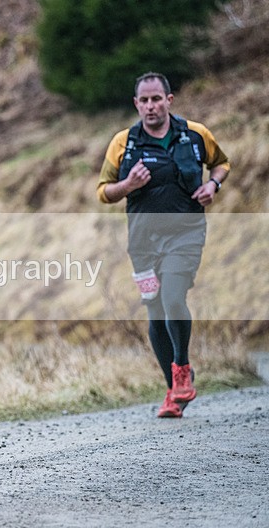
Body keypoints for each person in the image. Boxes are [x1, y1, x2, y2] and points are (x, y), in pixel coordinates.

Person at [98, 72, 230, 418]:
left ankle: (182, 369)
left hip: (185, 233)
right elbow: (103, 192)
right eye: (144, 100)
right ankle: (174, 391)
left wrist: (213, 186)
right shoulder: (122, 143)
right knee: (154, 313)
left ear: (169, 101)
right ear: (136, 104)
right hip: (141, 242)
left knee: (173, 297)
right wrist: (127, 184)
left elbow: (221, 164)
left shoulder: (196, 134)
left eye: (157, 99)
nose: (150, 106)